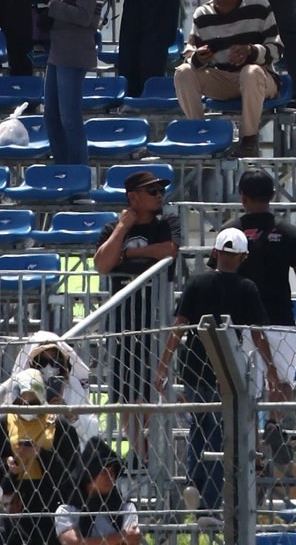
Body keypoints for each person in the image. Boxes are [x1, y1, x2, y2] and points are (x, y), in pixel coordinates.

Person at [155, 227, 284, 512]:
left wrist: (163, 366)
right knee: (216, 433)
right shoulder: (247, 288)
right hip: (224, 368)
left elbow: (179, 326)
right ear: (243, 257)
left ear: (215, 252)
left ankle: (193, 481)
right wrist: (272, 370)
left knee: (198, 429)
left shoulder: (197, 283)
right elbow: (258, 334)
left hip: (192, 365)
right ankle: (210, 502)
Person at [93, 171, 177, 457]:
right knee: (126, 392)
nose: (159, 195)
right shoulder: (112, 228)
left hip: (156, 319)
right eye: (151, 191)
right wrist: (121, 229)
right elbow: (103, 265)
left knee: (153, 387)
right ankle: (143, 455)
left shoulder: (167, 223)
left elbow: (169, 250)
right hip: (123, 322)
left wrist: (125, 255)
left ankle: (156, 455)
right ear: (133, 197)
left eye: (159, 191)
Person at [173, 0, 280, 153]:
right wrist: (199, 58)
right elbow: (189, 53)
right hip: (222, 77)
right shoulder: (202, 14)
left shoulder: (258, 4)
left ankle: (249, 138)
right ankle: (199, 132)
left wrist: (251, 51)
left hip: (260, 78)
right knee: (183, 73)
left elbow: (276, 48)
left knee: (250, 73)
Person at [236, 168, 296, 394]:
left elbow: (219, 275)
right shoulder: (288, 232)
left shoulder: (231, 232)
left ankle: (252, 431)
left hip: (240, 322)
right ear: (273, 195)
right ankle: (275, 423)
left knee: (245, 391)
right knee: (283, 384)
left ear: (242, 195)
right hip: (280, 319)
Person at [0, 368, 83, 545]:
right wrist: (8, 466)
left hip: (49, 497)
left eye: (32, 402)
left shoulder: (59, 425)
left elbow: (71, 472)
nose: (27, 407)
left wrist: (41, 453)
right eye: (21, 402)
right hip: (15, 497)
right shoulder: (3, 424)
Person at [41, 0, 105, 167]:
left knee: (70, 119)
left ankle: (78, 175)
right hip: (59, 50)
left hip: (74, 51)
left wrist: (50, 6)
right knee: (52, 117)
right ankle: (62, 168)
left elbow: (85, 16)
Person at [54, 439, 141, 545]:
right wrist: (121, 536)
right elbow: (73, 542)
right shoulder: (66, 511)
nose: (110, 477)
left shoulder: (126, 508)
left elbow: (132, 539)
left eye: (112, 472)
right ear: (89, 474)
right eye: (104, 471)